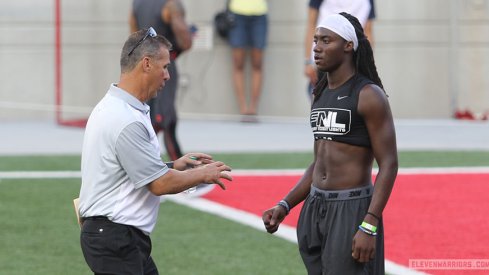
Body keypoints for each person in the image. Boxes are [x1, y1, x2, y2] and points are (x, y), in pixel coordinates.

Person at [78, 28, 233, 275]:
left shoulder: (119, 108)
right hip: (114, 238)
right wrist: (204, 175)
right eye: (165, 67)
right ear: (146, 64)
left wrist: (174, 166)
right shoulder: (124, 118)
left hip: (115, 237)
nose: (168, 76)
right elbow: (159, 184)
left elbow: (128, 171)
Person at [263, 12, 397, 274]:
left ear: (348, 45)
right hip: (315, 206)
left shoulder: (369, 95)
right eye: (315, 41)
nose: (317, 48)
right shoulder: (320, 93)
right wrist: (285, 204)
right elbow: (320, 161)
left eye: (326, 41)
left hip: (351, 209)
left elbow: (389, 164)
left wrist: (369, 223)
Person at [129, 0, 192, 161]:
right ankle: (179, 171)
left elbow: (134, 37)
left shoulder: (137, 3)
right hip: (164, 65)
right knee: (166, 120)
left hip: (145, 65)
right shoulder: (171, 4)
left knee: (149, 118)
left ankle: (141, 163)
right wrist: (175, 51)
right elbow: (186, 41)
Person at [304, 0, 371, 98]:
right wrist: (308, 61)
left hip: (352, 59)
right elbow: (311, 24)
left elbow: (368, 31)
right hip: (323, 62)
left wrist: (366, 63)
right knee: (321, 103)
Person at [228, 0, 268, 122]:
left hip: (260, 13)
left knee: (257, 63)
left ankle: (253, 109)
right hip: (237, 13)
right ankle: (243, 109)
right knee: (238, 63)